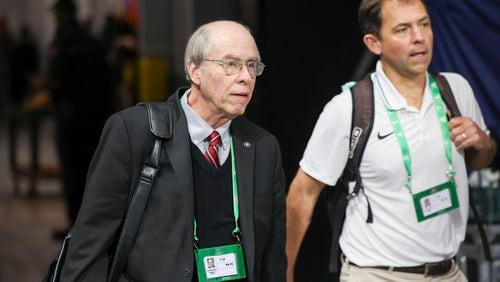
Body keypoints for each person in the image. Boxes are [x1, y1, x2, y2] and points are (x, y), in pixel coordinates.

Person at [286, 0, 496, 281]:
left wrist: (482, 142)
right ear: (374, 43)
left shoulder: (455, 88)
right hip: (377, 274)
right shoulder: (350, 107)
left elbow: (481, 160)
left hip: (449, 271)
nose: (419, 37)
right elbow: (302, 194)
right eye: (402, 29)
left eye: (424, 24)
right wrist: (284, 271)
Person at [60, 20, 286, 281]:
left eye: (251, 66)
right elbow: (89, 247)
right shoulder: (135, 132)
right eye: (231, 64)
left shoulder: (263, 147)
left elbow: (272, 260)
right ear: (195, 70)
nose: (246, 77)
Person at [47, 0, 113, 234]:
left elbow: (56, 80)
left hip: (71, 119)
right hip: (95, 119)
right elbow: (107, 80)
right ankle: (91, 226)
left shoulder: (63, 43)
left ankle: (75, 226)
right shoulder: (91, 41)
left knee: (73, 173)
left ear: (61, 14)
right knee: (90, 171)